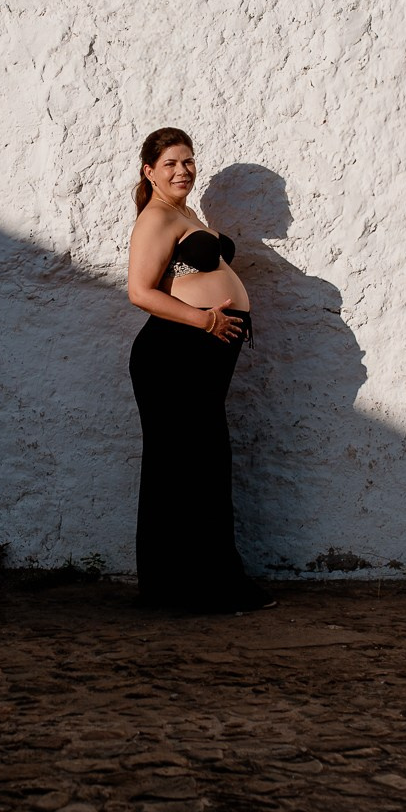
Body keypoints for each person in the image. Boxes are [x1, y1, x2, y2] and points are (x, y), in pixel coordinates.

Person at [125, 127, 275, 613]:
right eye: (170, 163)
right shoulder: (155, 218)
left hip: (195, 355)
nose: (181, 170)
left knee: (202, 465)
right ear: (150, 171)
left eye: (188, 161)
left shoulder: (185, 213)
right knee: (183, 468)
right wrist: (205, 319)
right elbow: (140, 292)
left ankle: (203, 585)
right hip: (173, 356)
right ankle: (184, 590)